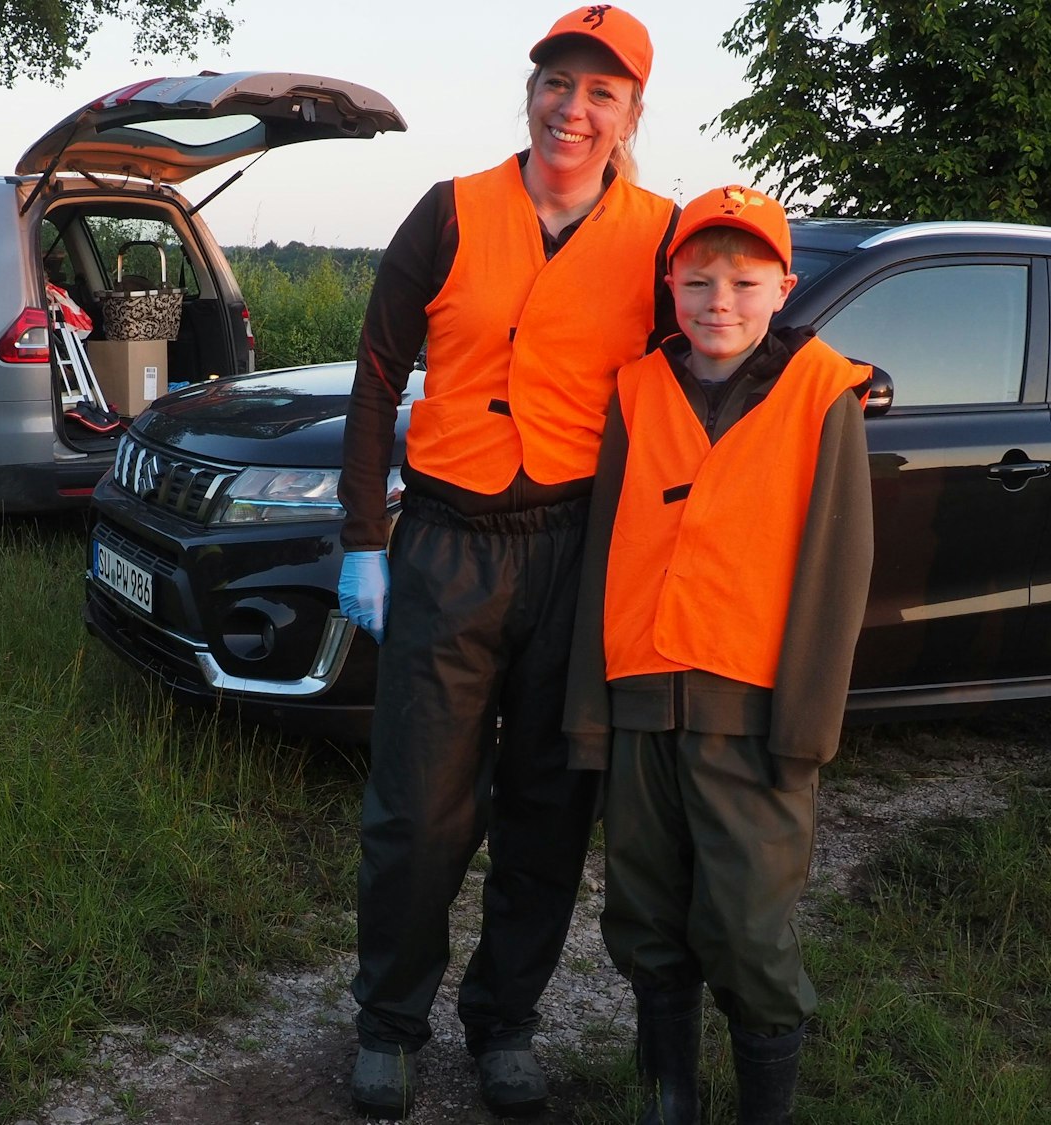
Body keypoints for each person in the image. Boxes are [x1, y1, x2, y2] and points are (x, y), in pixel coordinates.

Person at [335, 5, 679, 1117]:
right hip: (446, 546)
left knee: (546, 804)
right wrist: (363, 540)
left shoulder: (664, 233)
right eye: (555, 84)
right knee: (417, 807)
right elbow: (377, 374)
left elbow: (731, 334)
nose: (570, 110)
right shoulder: (448, 211)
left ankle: (504, 1022)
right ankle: (388, 1020)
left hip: (576, 550)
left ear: (630, 114)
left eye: (599, 93)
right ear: (529, 93)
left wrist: (824, 375)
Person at [562, 185, 875, 1125]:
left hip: (754, 714)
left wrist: (806, 729)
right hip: (641, 702)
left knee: (745, 930)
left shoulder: (824, 394)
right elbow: (603, 553)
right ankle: (672, 1097)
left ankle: (762, 1110)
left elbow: (836, 569)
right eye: (698, 280)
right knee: (646, 918)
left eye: (744, 280)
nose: (719, 301)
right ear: (671, 284)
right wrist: (591, 712)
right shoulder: (637, 387)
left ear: (785, 285)